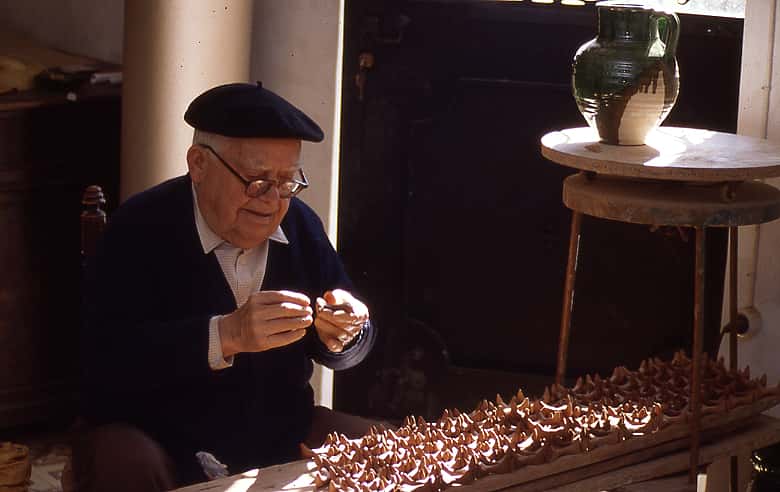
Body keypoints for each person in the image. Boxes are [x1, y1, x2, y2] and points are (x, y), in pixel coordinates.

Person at [75, 82, 378, 491]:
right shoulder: (139, 228)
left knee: (395, 452)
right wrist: (224, 335)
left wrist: (346, 332)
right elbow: (103, 367)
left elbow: (347, 341)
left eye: (286, 181)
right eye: (256, 180)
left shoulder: (300, 225)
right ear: (198, 164)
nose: (272, 200)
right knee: (122, 460)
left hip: (281, 435)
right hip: (164, 444)